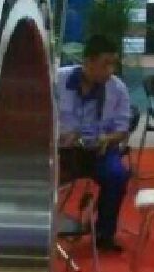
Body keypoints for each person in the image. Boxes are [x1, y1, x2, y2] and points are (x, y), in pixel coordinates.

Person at [55, 34, 133, 252]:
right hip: (62, 151)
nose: (110, 70)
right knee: (39, 176)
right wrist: (59, 135)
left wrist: (107, 139)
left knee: (117, 175)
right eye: (105, 64)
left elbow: (122, 130)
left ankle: (104, 234)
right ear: (88, 61)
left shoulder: (117, 89)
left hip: (99, 150)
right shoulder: (57, 81)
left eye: (113, 64)